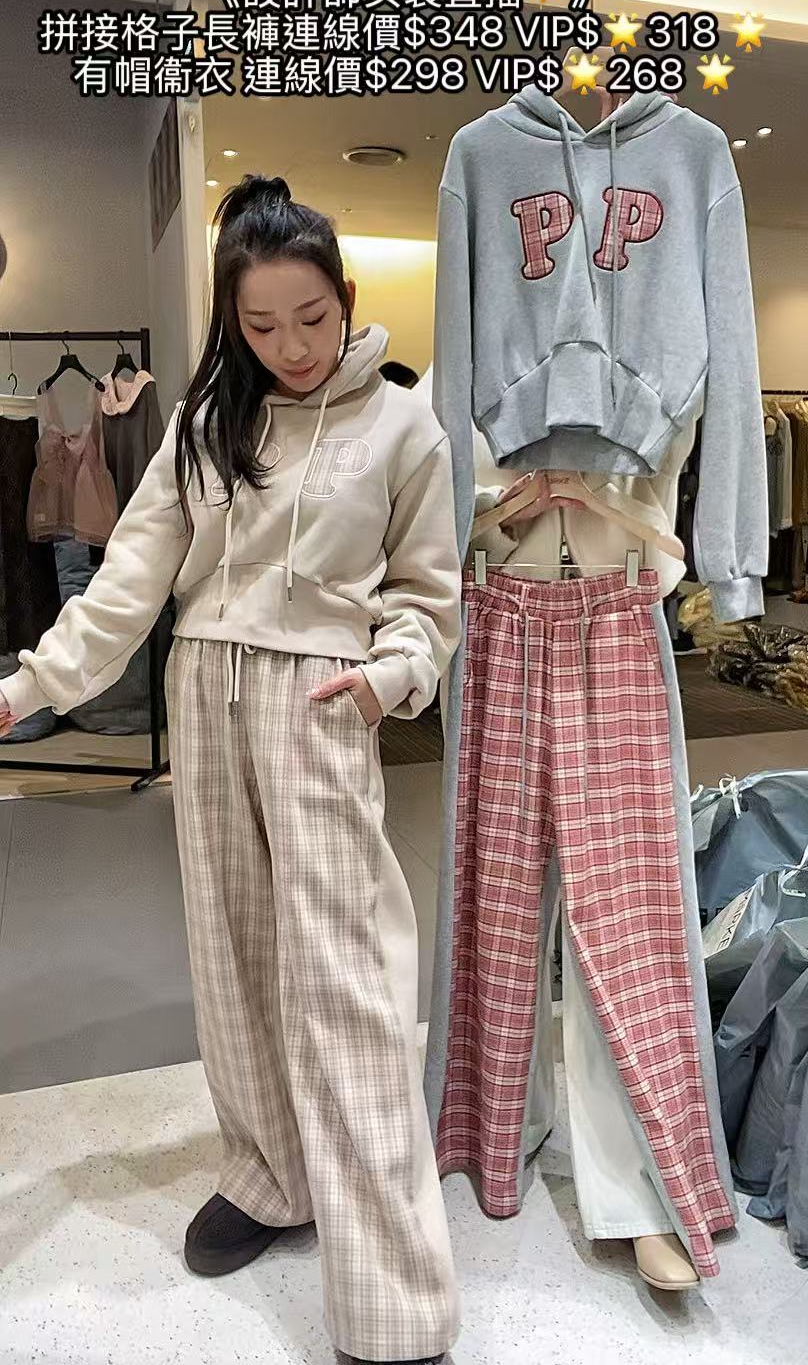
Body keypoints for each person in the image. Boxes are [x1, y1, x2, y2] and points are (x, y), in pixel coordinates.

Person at [0, 175, 462, 1365]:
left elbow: (428, 595)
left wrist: (390, 676)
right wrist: (27, 686)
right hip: (206, 692)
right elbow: (129, 581)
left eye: (311, 317)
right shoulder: (208, 422)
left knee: (347, 980)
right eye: (260, 325)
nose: (291, 346)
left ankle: (396, 1289)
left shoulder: (404, 424)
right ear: (231, 320)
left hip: (322, 702)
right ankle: (268, 1174)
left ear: (345, 297)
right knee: (231, 953)